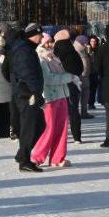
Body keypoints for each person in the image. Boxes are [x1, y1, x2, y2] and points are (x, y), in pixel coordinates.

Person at [30, 38, 75, 168]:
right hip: (49, 97)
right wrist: (69, 77)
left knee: (62, 128)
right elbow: (48, 79)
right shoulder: (40, 58)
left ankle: (57, 158)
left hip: (61, 95)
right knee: (48, 129)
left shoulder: (54, 57)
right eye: (47, 42)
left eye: (51, 41)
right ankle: (36, 157)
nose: (50, 44)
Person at [9, 23, 46, 172]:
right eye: (40, 35)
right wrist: (35, 93)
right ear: (33, 35)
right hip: (27, 94)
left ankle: (22, 155)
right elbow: (27, 74)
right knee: (30, 127)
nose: (42, 38)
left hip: (27, 92)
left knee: (39, 125)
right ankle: (24, 161)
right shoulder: (24, 50)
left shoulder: (26, 48)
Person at [53, 29, 84, 143]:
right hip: (73, 84)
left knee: (58, 112)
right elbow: (81, 68)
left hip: (58, 85)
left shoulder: (56, 54)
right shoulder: (74, 52)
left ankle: (60, 136)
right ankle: (77, 137)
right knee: (74, 110)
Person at [73, 35, 93, 118]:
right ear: (80, 42)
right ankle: (77, 113)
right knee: (78, 96)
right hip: (79, 76)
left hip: (85, 76)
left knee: (85, 95)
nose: (86, 44)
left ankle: (84, 112)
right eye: (85, 43)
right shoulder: (76, 50)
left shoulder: (82, 50)